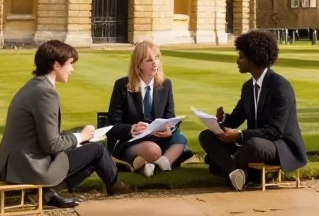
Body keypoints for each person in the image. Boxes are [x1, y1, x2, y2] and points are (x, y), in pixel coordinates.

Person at [0, 40, 129, 208]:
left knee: (84, 142)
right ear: (56, 65)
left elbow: (45, 136)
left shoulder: (34, 85)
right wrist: (81, 136)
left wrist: (78, 136)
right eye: (70, 64)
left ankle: (51, 193)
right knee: (97, 150)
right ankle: (116, 187)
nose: (72, 69)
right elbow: (51, 145)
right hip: (29, 168)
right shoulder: (46, 93)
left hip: (14, 164)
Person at [198, 29, 307, 190]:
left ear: (253, 58)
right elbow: (236, 118)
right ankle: (237, 173)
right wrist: (221, 120)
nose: (237, 61)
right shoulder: (248, 87)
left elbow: (275, 131)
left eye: (241, 56)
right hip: (251, 142)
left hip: (278, 145)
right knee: (207, 136)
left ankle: (224, 165)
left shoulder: (281, 87)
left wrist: (240, 135)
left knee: (253, 145)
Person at [106, 41, 190, 177]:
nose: (155, 63)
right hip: (133, 140)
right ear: (138, 64)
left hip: (159, 137)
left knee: (180, 139)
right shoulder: (122, 86)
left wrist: (169, 129)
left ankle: (155, 166)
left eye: (157, 58)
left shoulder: (166, 84)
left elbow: (170, 116)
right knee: (153, 151)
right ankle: (159, 162)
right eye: (149, 60)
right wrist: (132, 128)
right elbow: (112, 124)